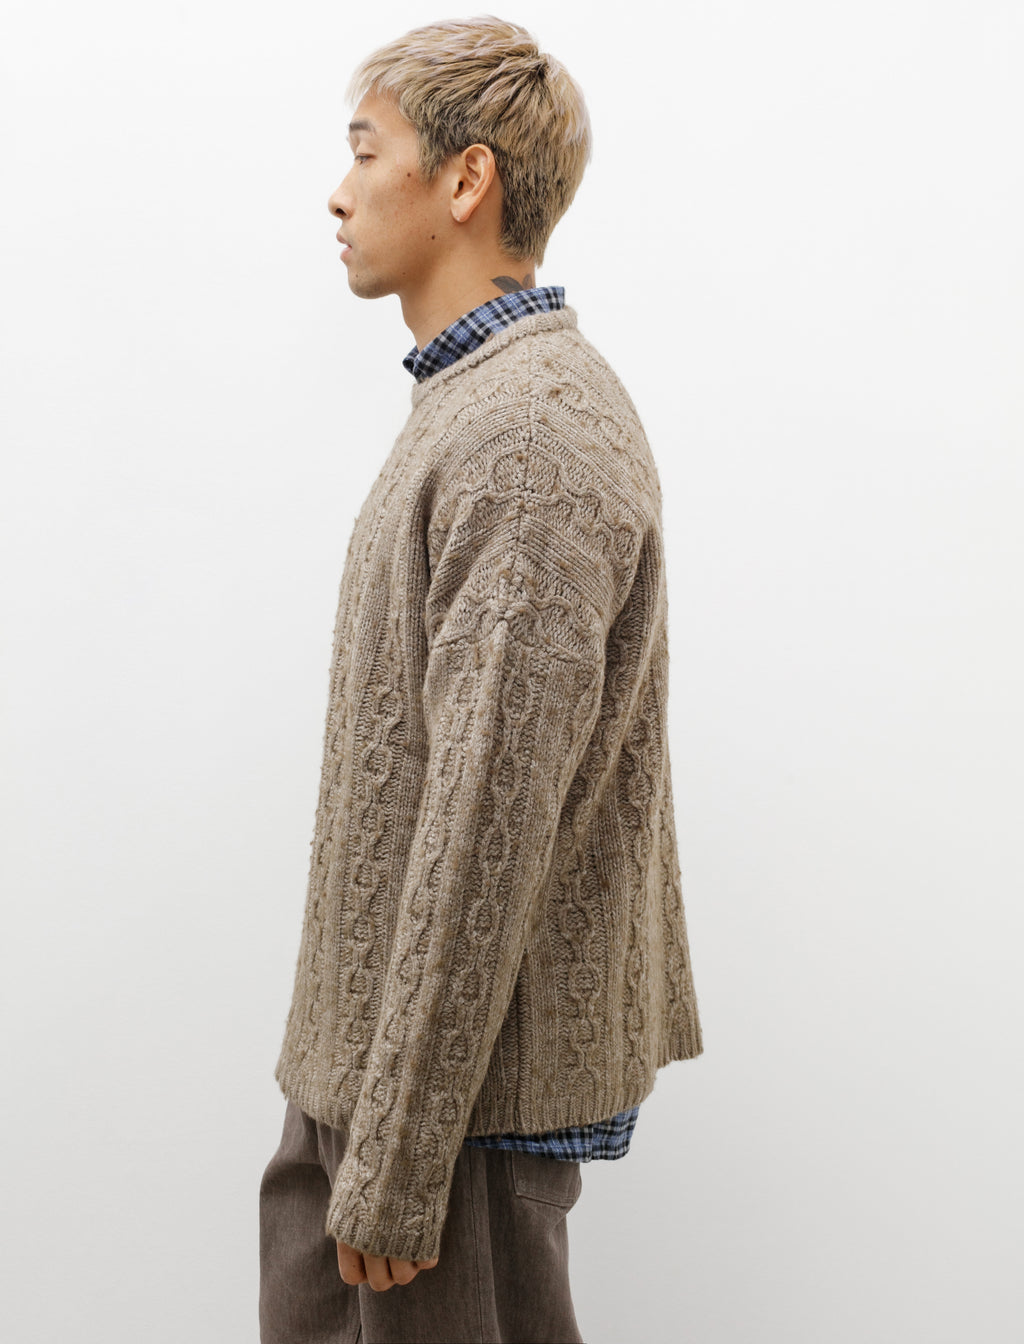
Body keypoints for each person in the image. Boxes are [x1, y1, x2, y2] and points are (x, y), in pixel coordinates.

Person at [258, 16, 704, 1343]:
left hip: (448, 1123)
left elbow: (483, 829)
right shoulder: (479, 403)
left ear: (466, 180)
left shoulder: (525, 439)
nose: (338, 192)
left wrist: (399, 1159)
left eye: (366, 151)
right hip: (389, 1090)